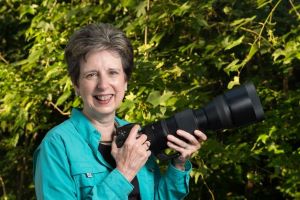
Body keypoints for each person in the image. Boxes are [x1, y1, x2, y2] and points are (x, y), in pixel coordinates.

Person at [33, 22, 207, 199]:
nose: (103, 85)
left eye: (113, 73)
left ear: (125, 82)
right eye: (91, 75)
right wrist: (124, 173)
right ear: (76, 85)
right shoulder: (57, 145)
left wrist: (179, 164)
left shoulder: (135, 135)